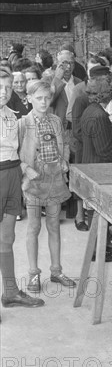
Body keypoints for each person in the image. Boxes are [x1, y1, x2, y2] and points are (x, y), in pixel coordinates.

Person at [18, 80, 76, 294]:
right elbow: (12, 153)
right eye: (39, 98)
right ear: (29, 98)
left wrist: (64, 161)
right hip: (34, 181)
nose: (44, 102)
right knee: (33, 227)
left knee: (54, 225)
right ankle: (33, 273)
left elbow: (65, 145)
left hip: (55, 179)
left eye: (47, 98)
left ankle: (56, 270)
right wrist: (26, 168)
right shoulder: (23, 123)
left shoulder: (56, 121)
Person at [0, 68, 45, 309]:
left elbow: (15, 151)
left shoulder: (11, 115)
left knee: (7, 238)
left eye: (7, 87)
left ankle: (9, 292)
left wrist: (25, 172)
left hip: (11, 176)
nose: (4, 92)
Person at [70, 65, 112, 232]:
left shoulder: (100, 101)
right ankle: (80, 216)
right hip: (85, 147)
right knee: (85, 187)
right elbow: (77, 129)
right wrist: (95, 139)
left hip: (95, 144)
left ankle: (103, 236)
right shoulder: (82, 99)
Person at [49, 50, 83, 129]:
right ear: (57, 64)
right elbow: (49, 101)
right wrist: (57, 79)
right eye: (64, 63)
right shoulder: (48, 80)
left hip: (75, 127)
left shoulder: (79, 82)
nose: (68, 67)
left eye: (71, 63)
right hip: (58, 127)